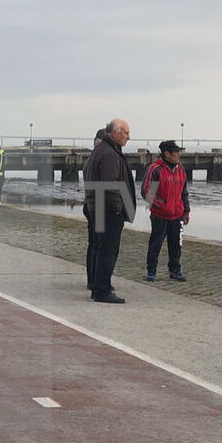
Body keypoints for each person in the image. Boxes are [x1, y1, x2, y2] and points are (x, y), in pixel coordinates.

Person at [83, 118, 135, 304]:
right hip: (106, 210)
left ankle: (98, 286)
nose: (129, 137)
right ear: (115, 133)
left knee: (98, 247)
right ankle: (102, 289)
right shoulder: (109, 154)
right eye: (126, 133)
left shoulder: (101, 150)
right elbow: (111, 184)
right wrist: (117, 208)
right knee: (108, 249)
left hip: (96, 207)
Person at [142, 140, 190, 281]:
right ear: (167, 154)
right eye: (176, 153)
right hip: (160, 215)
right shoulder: (156, 169)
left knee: (176, 245)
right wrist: (162, 205)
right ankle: (151, 271)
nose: (179, 155)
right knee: (155, 244)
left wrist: (186, 211)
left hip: (178, 215)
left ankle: (175, 271)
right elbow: (147, 192)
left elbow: (184, 192)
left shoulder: (180, 170)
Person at [83, 129, 106, 289]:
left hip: (92, 204)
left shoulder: (91, 160)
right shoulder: (96, 160)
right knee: (98, 245)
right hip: (97, 206)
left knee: (95, 244)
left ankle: (93, 279)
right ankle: (95, 281)